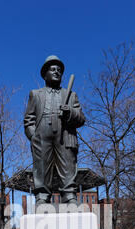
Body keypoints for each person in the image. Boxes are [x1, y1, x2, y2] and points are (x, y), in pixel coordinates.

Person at [24, 55, 85, 206]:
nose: (57, 72)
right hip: (42, 134)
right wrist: (34, 137)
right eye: (53, 69)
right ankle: (42, 197)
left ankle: (69, 196)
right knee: (42, 166)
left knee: (67, 165)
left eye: (59, 70)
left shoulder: (70, 95)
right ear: (45, 74)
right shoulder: (35, 94)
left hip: (64, 134)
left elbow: (81, 118)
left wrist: (69, 112)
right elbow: (28, 119)